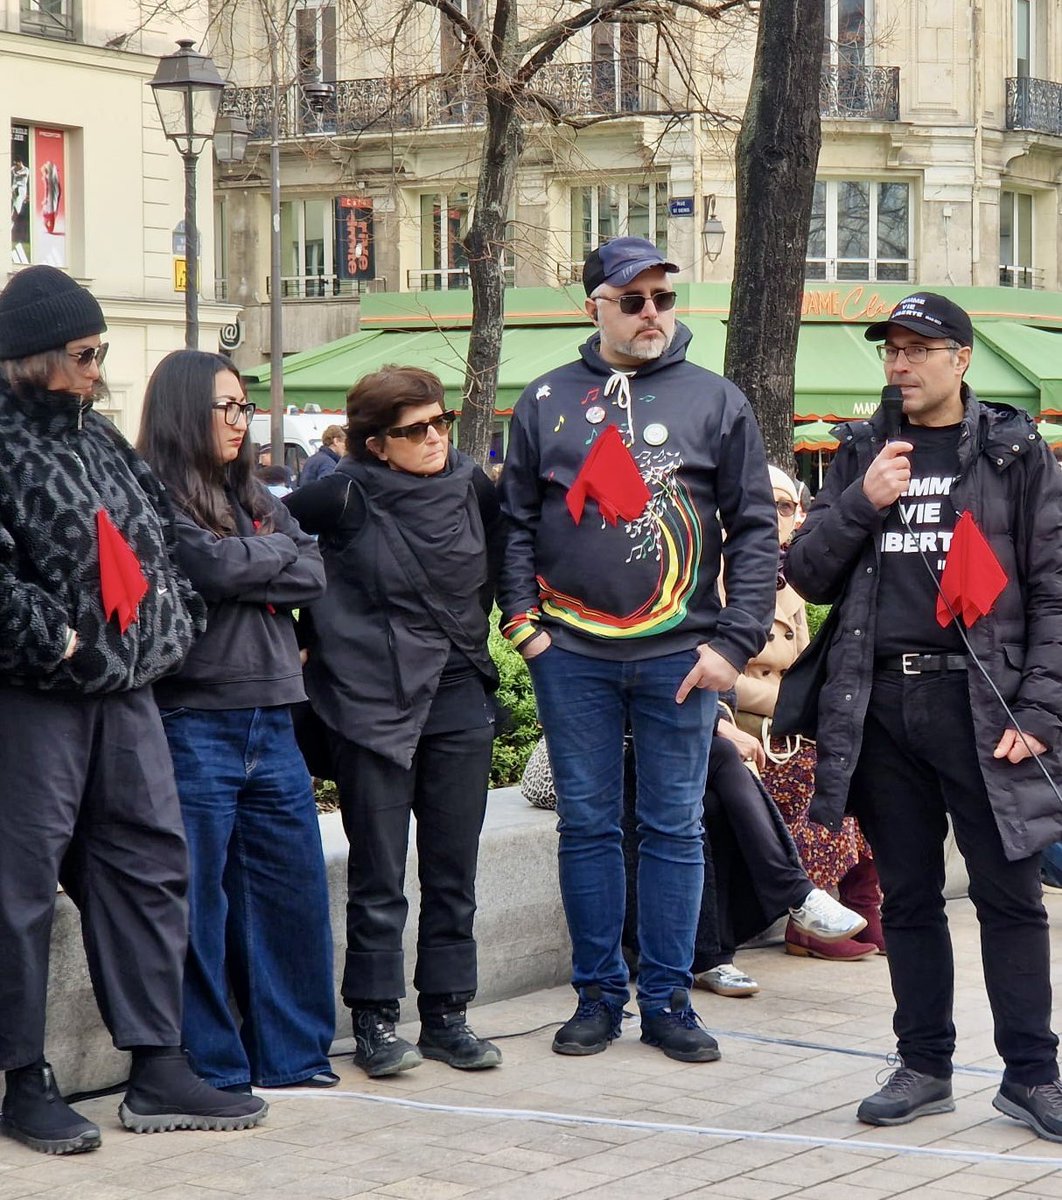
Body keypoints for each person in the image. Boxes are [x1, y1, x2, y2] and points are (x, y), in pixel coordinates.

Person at [0, 266, 266, 1156]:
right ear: (29, 360)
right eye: (83, 355)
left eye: (101, 352)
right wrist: (65, 645)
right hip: (31, 699)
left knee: (150, 865)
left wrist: (169, 630)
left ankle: (157, 1063)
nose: (96, 369)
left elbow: (163, 544)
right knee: (18, 888)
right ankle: (22, 1079)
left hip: (127, 695)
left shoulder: (104, 441)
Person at [786, 291, 1062, 1139]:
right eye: (891, 351)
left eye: (918, 349)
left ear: (961, 358)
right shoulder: (866, 448)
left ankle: (1031, 1075)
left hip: (981, 705)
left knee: (1009, 895)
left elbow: (1053, 590)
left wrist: (1042, 707)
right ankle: (923, 1064)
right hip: (880, 702)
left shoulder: (1017, 453)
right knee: (906, 897)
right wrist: (862, 498)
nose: (901, 365)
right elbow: (808, 573)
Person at [497, 236, 779, 1062]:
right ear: (596, 306)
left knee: (674, 828)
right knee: (586, 827)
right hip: (572, 654)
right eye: (633, 300)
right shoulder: (544, 400)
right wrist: (525, 627)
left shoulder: (717, 401)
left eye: (662, 297)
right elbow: (513, 525)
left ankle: (667, 1002)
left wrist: (734, 643)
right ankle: (595, 998)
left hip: (682, 655)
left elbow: (757, 530)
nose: (652, 313)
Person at [286, 365, 504, 1079]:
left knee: (453, 868)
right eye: (415, 430)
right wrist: (302, 635)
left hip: (457, 696)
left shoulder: (471, 485)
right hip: (371, 703)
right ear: (376, 443)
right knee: (378, 872)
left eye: (440, 422)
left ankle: (447, 1014)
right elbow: (268, 546)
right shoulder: (340, 495)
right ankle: (376, 1020)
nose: (436, 438)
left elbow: (502, 567)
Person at [137, 350, 337, 1093]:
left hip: (275, 716)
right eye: (225, 407)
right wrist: (266, 558)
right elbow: (207, 569)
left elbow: (312, 568)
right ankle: (214, 1067)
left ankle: (293, 1056)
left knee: (290, 893)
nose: (239, 420)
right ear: (186, 410)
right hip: (194, 718)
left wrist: (252, 555)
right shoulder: (152, 490)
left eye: (243, 406)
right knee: (200, 905)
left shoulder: (253, 492)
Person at [733, 465, 882, 962]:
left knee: (860, 769)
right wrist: (784, 703)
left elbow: (798, 664)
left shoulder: (791, 580)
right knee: (820, 783)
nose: (781, 516)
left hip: (788, 732)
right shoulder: (712, 573)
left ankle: (865, 902)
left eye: (788, 506)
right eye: (769, 504)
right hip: (741, 730)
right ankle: (807, 922)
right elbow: (703, 667)